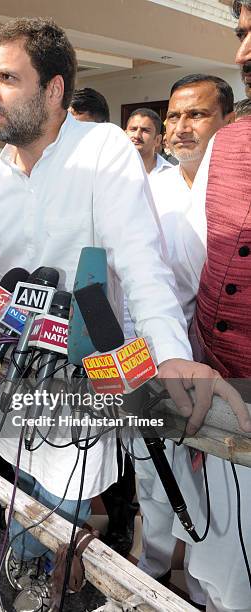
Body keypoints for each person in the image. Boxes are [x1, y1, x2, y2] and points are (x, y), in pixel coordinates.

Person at [0, 18, 250, 611]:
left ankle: (79, 581)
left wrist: (171, 358)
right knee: (27, 498)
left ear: (54, 89)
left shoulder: (101, 149)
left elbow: (142, 267)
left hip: (93, 385)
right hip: (15, 381)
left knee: (68, 511)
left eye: (7, 76)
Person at [131, 73, 235, 606]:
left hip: (225, 361)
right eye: (173, 116)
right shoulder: (150, 189)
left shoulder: (237, 188)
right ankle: (151, 564)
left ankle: (202, 582)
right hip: (159, 354)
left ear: (229, 121)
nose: (179, 128)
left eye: (196, 115)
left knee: (222, 485)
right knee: (155, 468)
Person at [166, 3, 251, 609]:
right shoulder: (233, 147)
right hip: (222, 398)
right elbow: (197, 270)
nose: (243, 54)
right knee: (227, 561)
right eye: (243, 34)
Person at [125, 107, 172, 177]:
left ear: (157, 140)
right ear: (125, 134)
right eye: (133, 129)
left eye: (145, 130)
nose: (137, 135)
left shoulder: (171, 173)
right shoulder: (113, 169)